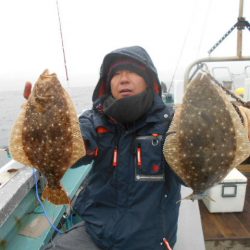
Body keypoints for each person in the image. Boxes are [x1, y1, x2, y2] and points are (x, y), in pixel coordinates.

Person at [45, 46, 183, 250]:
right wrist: (49, 117)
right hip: (96, 234)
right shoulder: (93, 120)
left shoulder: (171, 123)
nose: (123, 79)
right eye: (116, 74)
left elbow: (190, 173)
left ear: (149, 80)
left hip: (150, 241)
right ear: (107, 84)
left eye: (132, 71)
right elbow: (76, 149)